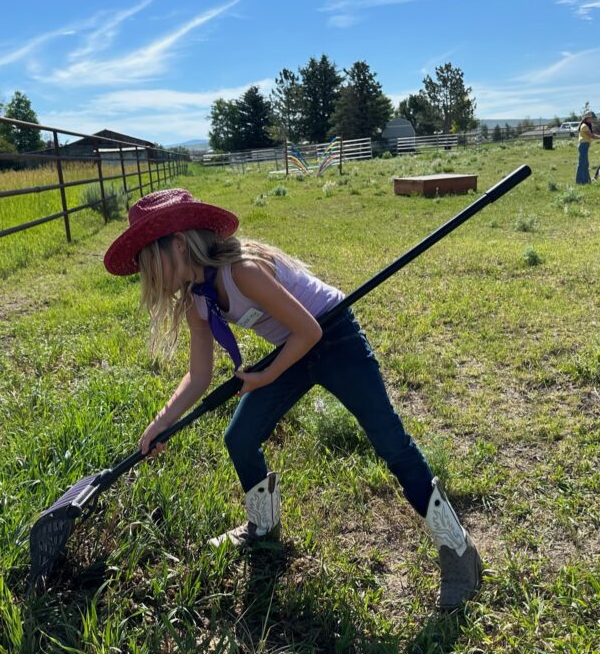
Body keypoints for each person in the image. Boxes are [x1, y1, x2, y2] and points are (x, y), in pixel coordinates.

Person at [103, 188, 483, 610]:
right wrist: (162, 422)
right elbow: (199, 376)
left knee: (390, 441)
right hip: (292, 349)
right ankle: (263, 528)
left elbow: (311, 331)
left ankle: (459, 550)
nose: (146, 274)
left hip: (334, 337)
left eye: (148, 260)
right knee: (240, 437)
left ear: (177, 244)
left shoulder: (242, 272)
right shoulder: (198, 299)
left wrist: (266, 375)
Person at [576, 111, 600, 185]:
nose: (592, 119)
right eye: (591, 118)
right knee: (582, 163)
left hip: (584, 145)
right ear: (587, 118)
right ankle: (580, 181)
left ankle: (586, 180)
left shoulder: (586, 125)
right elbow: (592, 136)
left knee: (585, 163)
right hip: (583, 145)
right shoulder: (584, 126)